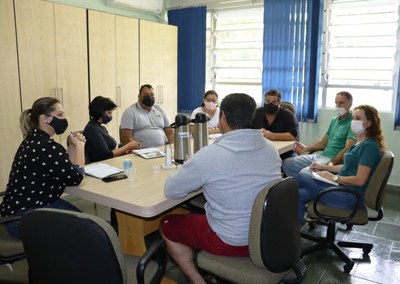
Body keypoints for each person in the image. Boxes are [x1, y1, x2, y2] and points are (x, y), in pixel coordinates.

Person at [159, 93, 282, 284]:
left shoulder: (210, 155)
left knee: (168, 225)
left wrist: (191, 167)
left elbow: (172, 190)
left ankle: (197, 280)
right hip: (266, 234)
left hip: (231, 241)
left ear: (223, 116)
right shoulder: (270, 149)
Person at [0, 97, 86, 239]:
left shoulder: (33, 140)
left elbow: (67, 171)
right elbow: (76, 177)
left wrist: (71, 145)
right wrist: (80, 146)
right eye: (59, 115)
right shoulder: (45, 146)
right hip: (23, 218)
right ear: (45, 118)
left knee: (86, 223)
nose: (64, 118)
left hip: (26, 209)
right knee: (88, 228)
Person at [296, 105, 385, 224]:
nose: (353, 121)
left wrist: (333, 177)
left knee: (302, 175)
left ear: (369, 123)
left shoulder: (369, 146)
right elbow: (348, 167)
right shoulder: (360, 143)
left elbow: (360, 180)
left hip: (348, 197)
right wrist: (324, 167)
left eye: (358, 118)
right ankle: (293, 235)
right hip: (341, 189)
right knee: (298, 194)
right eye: (353, 118)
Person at [282, 91, 356, 178]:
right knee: (287, 163)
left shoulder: (352, 123)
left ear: (350, 104)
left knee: (304, 173)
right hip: (321, 156)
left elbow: (348, 149)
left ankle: (305, 185)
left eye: (341, 103)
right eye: (336, 103)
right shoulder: (335, 120)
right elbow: (323, 143)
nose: (338, 106)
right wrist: (305, 148)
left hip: (332, 160)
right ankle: (299, 186)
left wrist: (331, 164)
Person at [83, 96, 141, 163]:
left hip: (110, 162)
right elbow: (106, 155)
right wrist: (128, 146)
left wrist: (124, 151)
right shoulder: (91, 129)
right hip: (100, 166)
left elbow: (111, 151)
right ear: (100, 112)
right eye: (109, 113)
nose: (111, 116)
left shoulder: (102, 128)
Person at [252, 89, 299, 160]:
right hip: (261, 150)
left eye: (274, 102)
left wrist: (272, 136)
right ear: (264, 101)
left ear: (279, 103)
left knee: (291, 163)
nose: (270, 104)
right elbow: (247, 130)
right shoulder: (257, 113)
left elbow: (293, 136)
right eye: (267, 101)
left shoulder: (287, 115)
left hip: (285, 153)